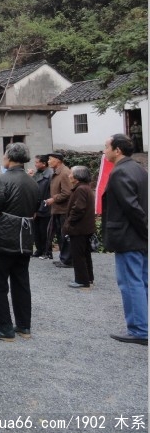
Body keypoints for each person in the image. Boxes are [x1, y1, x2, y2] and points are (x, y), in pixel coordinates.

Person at [0, 142, 39, 341]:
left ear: (9, 157)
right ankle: (24, 326)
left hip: (4, 237)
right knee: (21, 281)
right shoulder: (33, 182)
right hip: (25, 237)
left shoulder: (2, 179)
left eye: (4, 155)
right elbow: (35, 209)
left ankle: (5, 327)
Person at [102, 133, 148, 345]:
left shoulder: (120, 172)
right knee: (142, 281)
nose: (105, 151)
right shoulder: (139, 169)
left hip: (129, 235)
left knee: (130, 283)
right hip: (139, 236)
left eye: (107, 147)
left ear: (117, 150)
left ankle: (139, 329)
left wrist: (145, 230)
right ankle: (143, 325)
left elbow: (131, 207)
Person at [62, 166, 96, 289]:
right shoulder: (86, 188)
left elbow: (78, 208)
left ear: (77, 176)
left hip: (78, 228)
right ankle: (88, 278)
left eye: (71, 173)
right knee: (85, 254)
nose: (69, 175)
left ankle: (82, 280)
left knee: (78, 254)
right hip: (85, 228)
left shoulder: (80, 189)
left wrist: (69, 222)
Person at [45, 152, 72, 268]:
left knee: (64, 235)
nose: (48, 161)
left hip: (63, 210)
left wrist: (53, 199)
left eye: (50, 159)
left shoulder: (65, 173)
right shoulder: (56, 172)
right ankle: (63, 258)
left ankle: (68, 260)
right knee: (60, 235)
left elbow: (67, 192)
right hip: (57, 210)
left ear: (58, 160)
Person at [30, 155, 53, 259]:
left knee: (45, 231)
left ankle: (47, 251)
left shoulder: (50, 175)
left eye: (37, 162)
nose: (35, 164)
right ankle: (39, 249)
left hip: (45, 206)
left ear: (44, 163)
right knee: (36, 230)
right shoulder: (37, 174)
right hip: (36, 206)